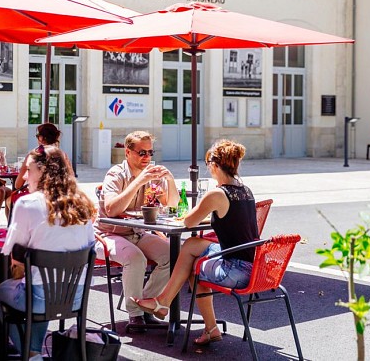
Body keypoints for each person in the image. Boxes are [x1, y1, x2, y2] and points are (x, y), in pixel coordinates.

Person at [132, 139, 257, 347]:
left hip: (235, 270)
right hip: (251, 263)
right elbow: (230, 218)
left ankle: (203, 323)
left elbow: (190, 220)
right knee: (191, 245)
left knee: (192, 267)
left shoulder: (217, 193)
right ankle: (164, 303)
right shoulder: (245, 190)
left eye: (209, 164)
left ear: (215, 165)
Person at [0, 145, 95, 359]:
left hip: (39, 297)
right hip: (75, 297)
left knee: (3, 291)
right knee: (39, 284)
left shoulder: (27, 204)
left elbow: (11, 249)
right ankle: (34, 352)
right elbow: (91, 246)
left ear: (42, 171)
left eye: (29, 169)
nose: (24, 175)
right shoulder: (83, 204)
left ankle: (30, 355)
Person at [96, 130, 179, 332]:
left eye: (150, 153)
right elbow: (111, 209)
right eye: (142, 153)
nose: (147, 158)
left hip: (137, 232)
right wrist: (138, 181)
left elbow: (173, 206)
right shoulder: (116, 174)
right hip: (107, 234)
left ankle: (145, 304)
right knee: (135, 258)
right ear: (128, 152)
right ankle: (135, 314)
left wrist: (169, 180)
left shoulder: (151, 176)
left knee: (175, 255)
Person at [13, 123, 61, 190]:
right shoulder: (62, 156)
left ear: (41, 138)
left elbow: (18, 185)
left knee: (12, 197)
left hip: (38, 195)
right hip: (58, 195)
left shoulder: (33, 156)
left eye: (37, 136)